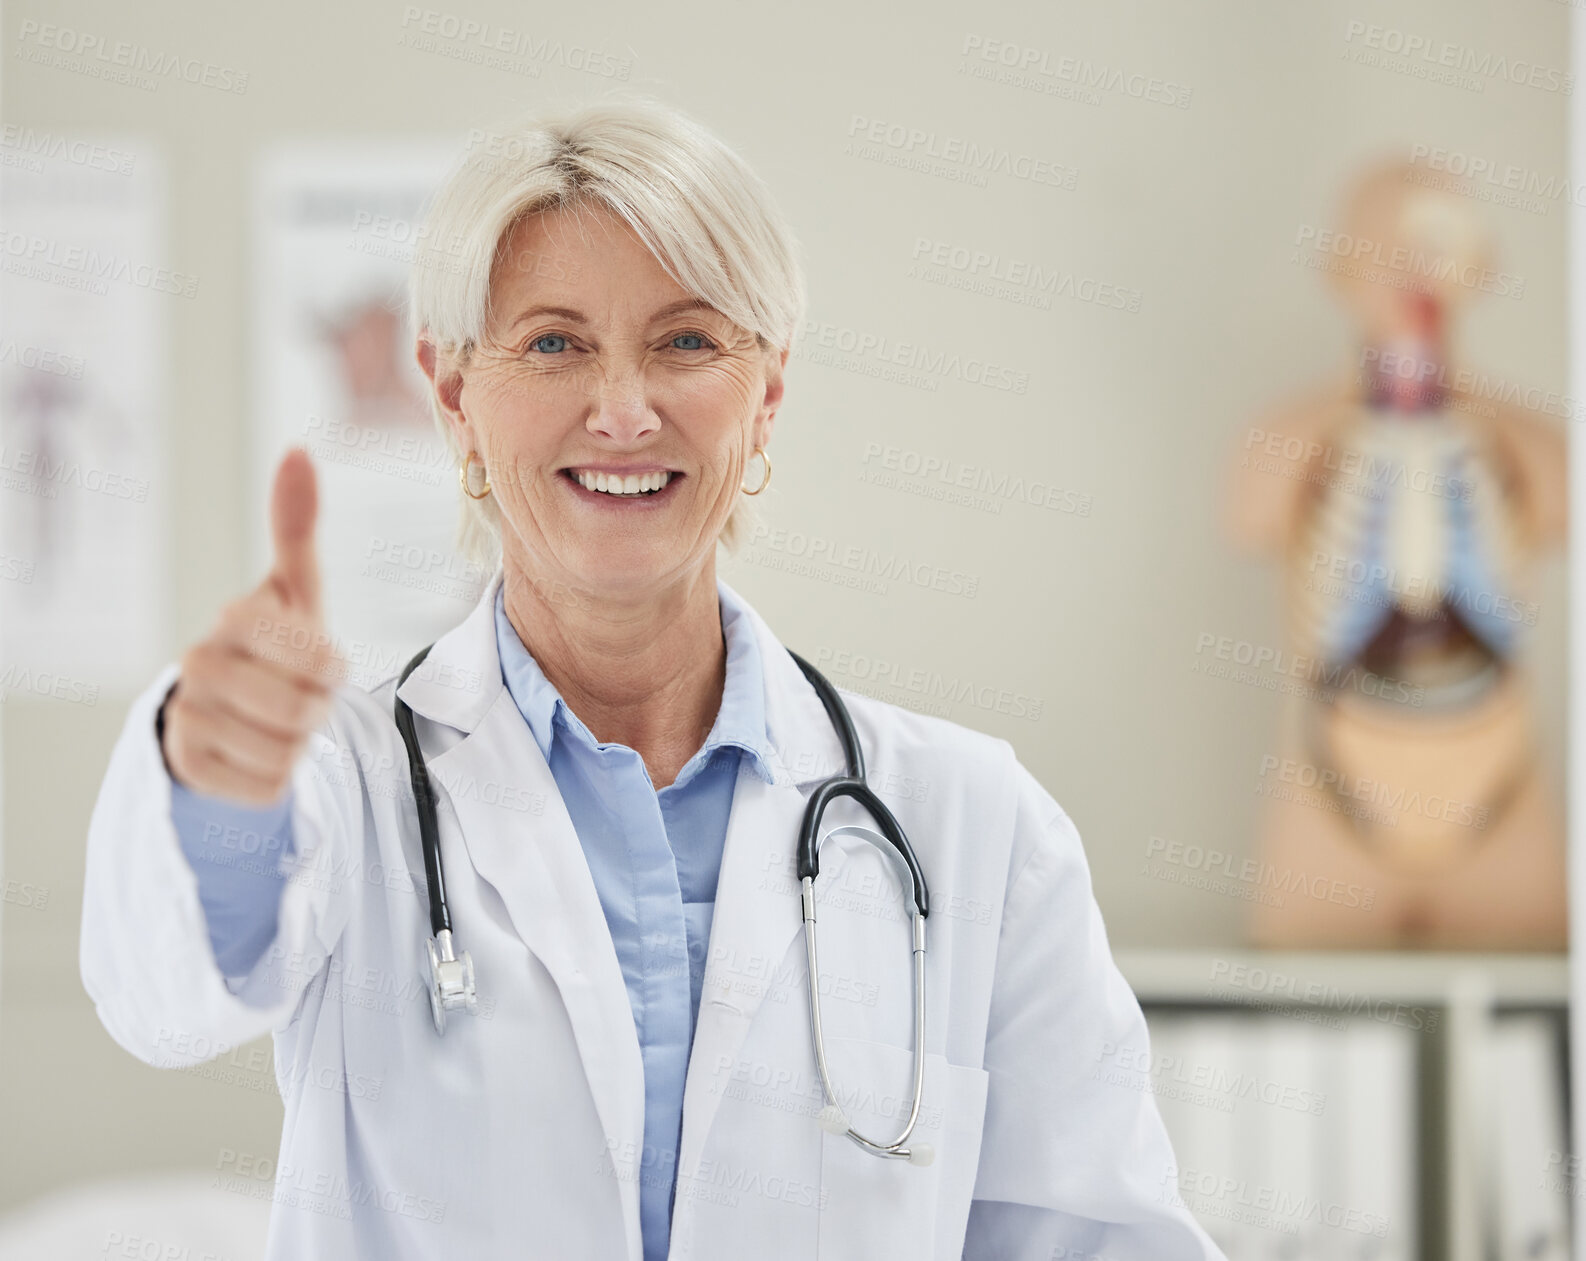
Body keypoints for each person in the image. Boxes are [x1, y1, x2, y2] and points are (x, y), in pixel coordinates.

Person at [80, 97, 1225, 1261]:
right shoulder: (349, 791)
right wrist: (219, 801)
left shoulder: (971, 823)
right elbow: (167, 1000)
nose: (622, 410)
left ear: (766, 388)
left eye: (686, 341)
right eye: (552, 343)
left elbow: (1100, 1240)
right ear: (450, 393)